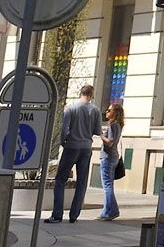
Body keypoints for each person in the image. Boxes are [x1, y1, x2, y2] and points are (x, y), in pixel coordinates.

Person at [47, 83, 101, 223]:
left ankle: (57, 214)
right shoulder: (95, 110)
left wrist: (63, 141)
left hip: (71, 146)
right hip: (86, 148)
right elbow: (97, 131)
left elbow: (65, 129)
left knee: (60, 179)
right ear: (91, 95)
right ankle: (74, 215)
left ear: (80, 93)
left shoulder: (71, 108)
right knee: (82, 181)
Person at [98, 101, 126, 221]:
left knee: (107, 186)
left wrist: (100, 135)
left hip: (107, 158)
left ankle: (113, 211)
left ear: (115, 113)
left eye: (109, 110)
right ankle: (106, 212)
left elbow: (110, 142)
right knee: (109, 186)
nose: (106, 112)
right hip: (113, 157)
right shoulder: (118, 125)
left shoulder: (113, 125)